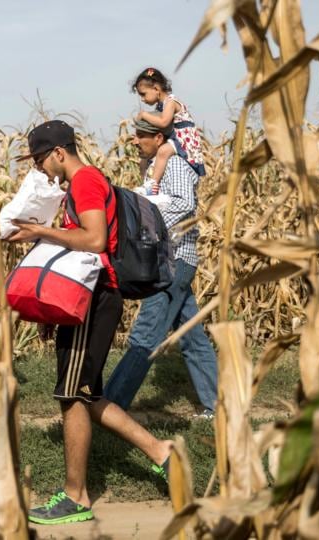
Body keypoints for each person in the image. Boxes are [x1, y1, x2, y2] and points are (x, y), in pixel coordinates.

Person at [6, 120, 173, 525]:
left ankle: (75, 496)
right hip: (85, 298)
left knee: (72, 396)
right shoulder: (77, 187)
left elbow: (95, 240)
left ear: (60, 152)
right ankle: (162, 453)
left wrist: (40, 231)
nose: (41, 169)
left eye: (42, 160)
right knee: (87, 394)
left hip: (97, 300)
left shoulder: (85, 182)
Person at [104, 118, 218, 419]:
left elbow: (185, 203)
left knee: (146, 335)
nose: (135, 141)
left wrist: (151, 227)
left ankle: (112, 403)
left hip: (173, 260)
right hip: (175, 259)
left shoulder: (175, 165)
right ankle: (217, 407)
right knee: (191, 335)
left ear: (158, 137)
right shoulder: (155, 168)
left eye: (141, 135)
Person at [132, 67, 206, 194]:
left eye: (143, 94)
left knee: (162, 151)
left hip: (182, 138)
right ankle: (147, 182)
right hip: (175, 136)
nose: (142, 99)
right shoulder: (162, 105)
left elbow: (163, 122)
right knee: (148, 159)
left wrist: (144, 115)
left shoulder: (170, 102)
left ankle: (153, 184)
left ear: (156, 89)